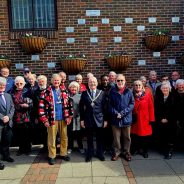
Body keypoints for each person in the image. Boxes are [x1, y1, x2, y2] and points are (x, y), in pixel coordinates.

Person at [39, 74, 73, 165]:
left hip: (63, 118)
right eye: (55, 80)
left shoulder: (64, 90)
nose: (56, 82)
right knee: (52, 138)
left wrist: (70, 116)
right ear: (51, 81)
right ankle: (52, 156)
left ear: (60, 81)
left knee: (64, 137)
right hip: (51, 119)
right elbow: (41, 107)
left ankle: (63, 153)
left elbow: (70, 105)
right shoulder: (45, 92)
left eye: (58, 80)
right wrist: (45, 120)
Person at [79, 76, 108, 162]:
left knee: (100, 138)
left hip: (99, 119)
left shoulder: (102, 93)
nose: (92, 83)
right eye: (91, 82)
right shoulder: (84, 93)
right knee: (89, 138)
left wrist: (105, 120)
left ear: (97, 83)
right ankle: (90, 153)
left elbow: (105, 107)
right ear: (88, 84)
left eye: (94, 82)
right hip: (88, 119)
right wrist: (82, 119)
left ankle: (100, 153)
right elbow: (81, 107)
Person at [108, 74, 134, 161]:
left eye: (121, 80)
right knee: (116, 138)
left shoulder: (129, 91)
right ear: (116, 81)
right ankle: (117, 152)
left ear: (125, 81)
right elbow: (109, 105)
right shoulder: (112, 91)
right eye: (118, 80)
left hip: (126, 118)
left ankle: (127, 152)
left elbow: (132, 104)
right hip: (115, 119)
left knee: (127, 137)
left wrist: (122, 113)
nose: (120, 82)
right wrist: (116, 113)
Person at [131, 80, 155, 158]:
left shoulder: (147, 95)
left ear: (142, 86)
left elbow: (151, 108)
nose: (138, 86)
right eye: (136, 85)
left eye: (139, 85)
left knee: (145, 137)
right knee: (135, 136)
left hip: (145, 119)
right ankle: (135, 149)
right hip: (135, 119)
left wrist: (151, 119)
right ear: (134, 87)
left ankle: (145, 151)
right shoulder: (131, 95)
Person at [11, 76, 33, 156]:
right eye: (17, 83)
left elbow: (32, 103)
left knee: (27, 133)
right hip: (16, 116)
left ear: (24, 84)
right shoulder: (12, 92)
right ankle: (21, 149)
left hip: (26, 116)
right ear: (15, 84)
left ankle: (27, 149)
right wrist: (20, 106)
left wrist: (28, 105)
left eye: (21, 83)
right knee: (18, 133)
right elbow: (11, 104)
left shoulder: (28, 91)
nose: (19, 84)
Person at [155, 81, 177, 159]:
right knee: (162, 136)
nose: (165, 89)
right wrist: (161, 119)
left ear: (169, 89)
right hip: (160, 120)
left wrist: (168, 119)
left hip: (170, 121)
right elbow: (156, 110)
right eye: (163, 88)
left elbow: (175, 111)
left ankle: (169, 151)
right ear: (161, 89)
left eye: (166, 88)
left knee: (170, 136)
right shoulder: (158, 97)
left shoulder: (174, 97)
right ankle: (164, 149)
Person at [0, 77, 15, 166]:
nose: (2, 86)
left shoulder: (8, 95)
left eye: (3, 85)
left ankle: (6, 156)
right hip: (0, 122)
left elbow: (12, 108)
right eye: (0, 85)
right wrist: (2, 117)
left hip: (8, 123)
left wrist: (9, 117)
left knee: (7, 140)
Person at [67, 81, 84, 154]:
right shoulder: (67, 96)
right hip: (70, 118)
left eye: (75, 87)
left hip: (78, 118)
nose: (73, 88)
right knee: (70, 133)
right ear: (69, 88)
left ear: (78, 88)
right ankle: (70, 147)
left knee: (79, 134)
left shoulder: (81, 96)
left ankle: (80, 147)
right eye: (72, 87)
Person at [31, 75, 48, 149]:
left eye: (42, 81)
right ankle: (45, 147)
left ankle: (52, 148)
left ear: (46, 82)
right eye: (39, 82)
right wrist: (35, 117)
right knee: (43, 132)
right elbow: (34, 106)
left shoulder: (50, 90)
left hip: (50, 115)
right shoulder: (35, 92)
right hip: (40, 116)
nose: (41, 83)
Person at [175, 79, 184, 148]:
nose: (181, 86)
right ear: (177, 86)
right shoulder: (173, 94)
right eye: (179, 85)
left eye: (182, 84)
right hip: (176, 116)